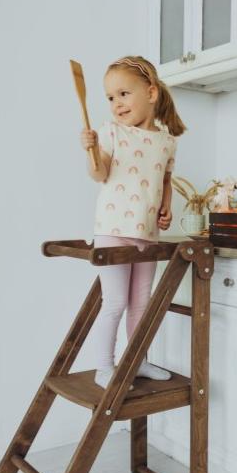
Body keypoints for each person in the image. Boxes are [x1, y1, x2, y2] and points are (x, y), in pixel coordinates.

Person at [80, 55, 186, 389]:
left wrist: (167, 208)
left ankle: (137, 361)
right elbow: (100, 174)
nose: (116, 103)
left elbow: (165, 181)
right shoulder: (110, 133)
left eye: (124, 94)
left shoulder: (167, 142)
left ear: (151, 93)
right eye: (110, 97)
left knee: (142, 303)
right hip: (113, 230)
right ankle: (104, 367)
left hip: (146, 233)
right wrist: (91, 152)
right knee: (115, 302)